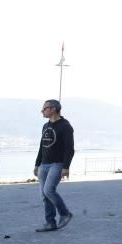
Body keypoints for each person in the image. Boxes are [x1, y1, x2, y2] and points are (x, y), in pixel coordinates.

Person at [33, 99, 74, 232]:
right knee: (44, 196)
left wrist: (66, 167)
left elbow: (69, 149)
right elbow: (42, 146)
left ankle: (65, 213)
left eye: (44, 108)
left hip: (57, 164)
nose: (42, 111)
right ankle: (50, 222)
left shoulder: (65, 126)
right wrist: (37, 164)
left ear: (53, 109)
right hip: (44, 164)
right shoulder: (45, 126)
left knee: (49, 190)